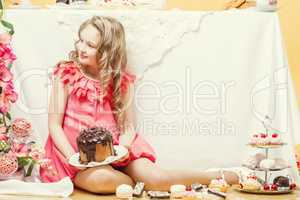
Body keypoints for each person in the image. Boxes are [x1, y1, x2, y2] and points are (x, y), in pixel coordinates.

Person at [41, 16, 239, 193]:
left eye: (90, 45)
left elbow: (128, 127)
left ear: (107, 51)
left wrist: (123, 149)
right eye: (80, 40)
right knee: (102, 180)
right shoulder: (66, 74)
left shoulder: (121, 82)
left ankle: (215, 176)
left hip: (116, 151)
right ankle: (136, 183)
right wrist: (73, 158)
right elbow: (54, 125)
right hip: (76, 157)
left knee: (157, 178)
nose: (81, 48)